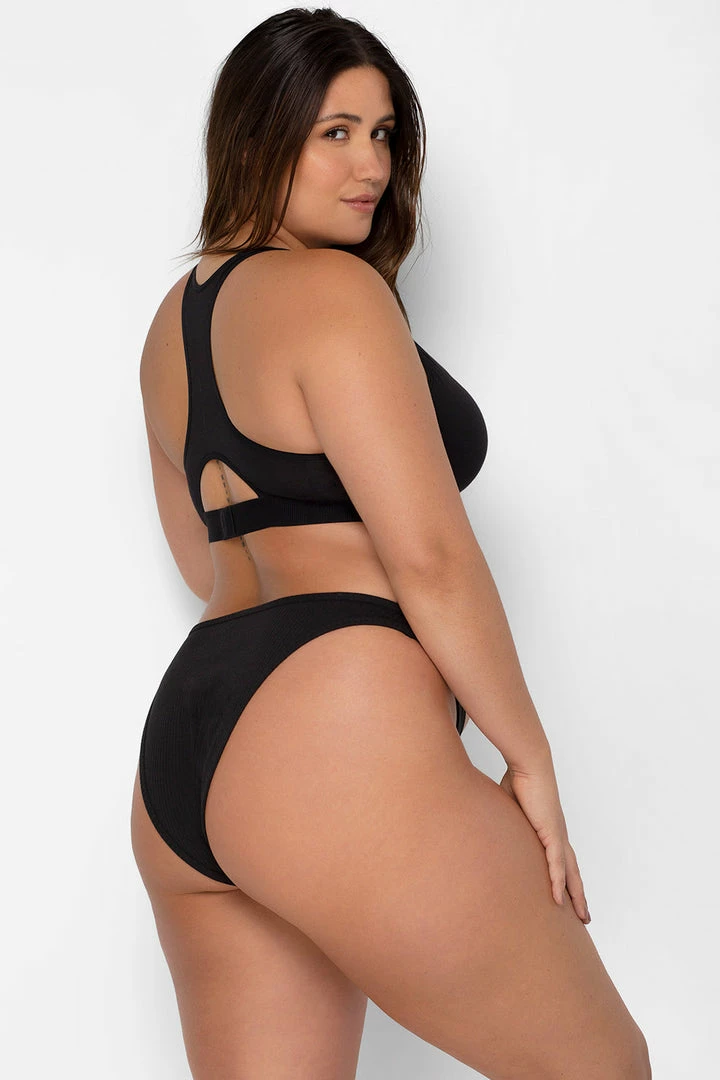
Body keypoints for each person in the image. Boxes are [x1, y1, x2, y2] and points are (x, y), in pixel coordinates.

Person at [130, 8, 651, 1078]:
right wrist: (528, 756)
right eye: (335, 132)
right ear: (256, 132)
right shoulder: (334, 291)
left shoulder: (170, 326)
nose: (371, 165)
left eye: (382, 134)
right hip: (331, 734)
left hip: (188, 752)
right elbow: (431, 560)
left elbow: (202, 561)